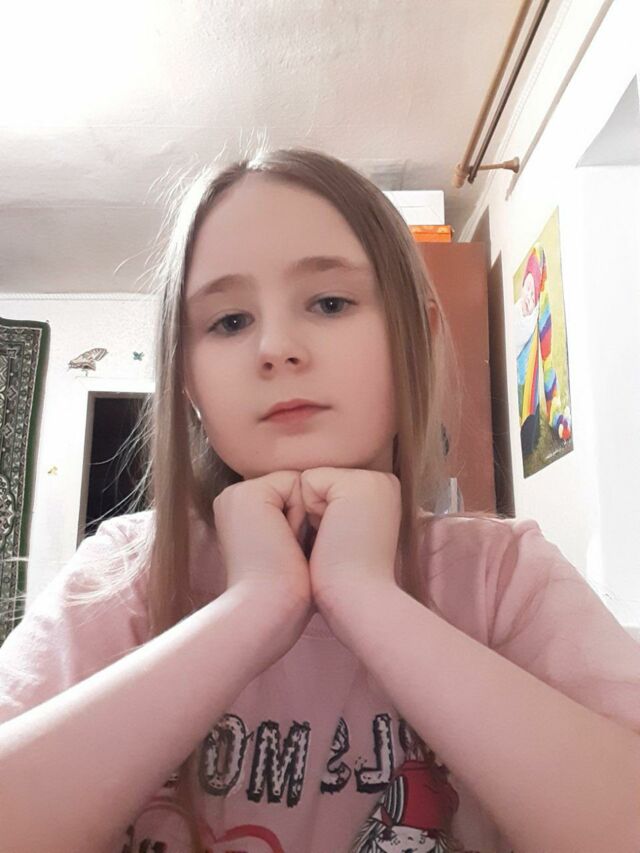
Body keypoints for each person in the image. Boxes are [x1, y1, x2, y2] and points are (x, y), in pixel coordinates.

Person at [0, 147, 639, 853]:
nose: (275, 348)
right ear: (188, 382)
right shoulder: (126, 571)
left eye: (330, 303)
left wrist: (366, 595)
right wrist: (254, 606)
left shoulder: (503, 573)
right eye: (229, 321)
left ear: (419, 338)